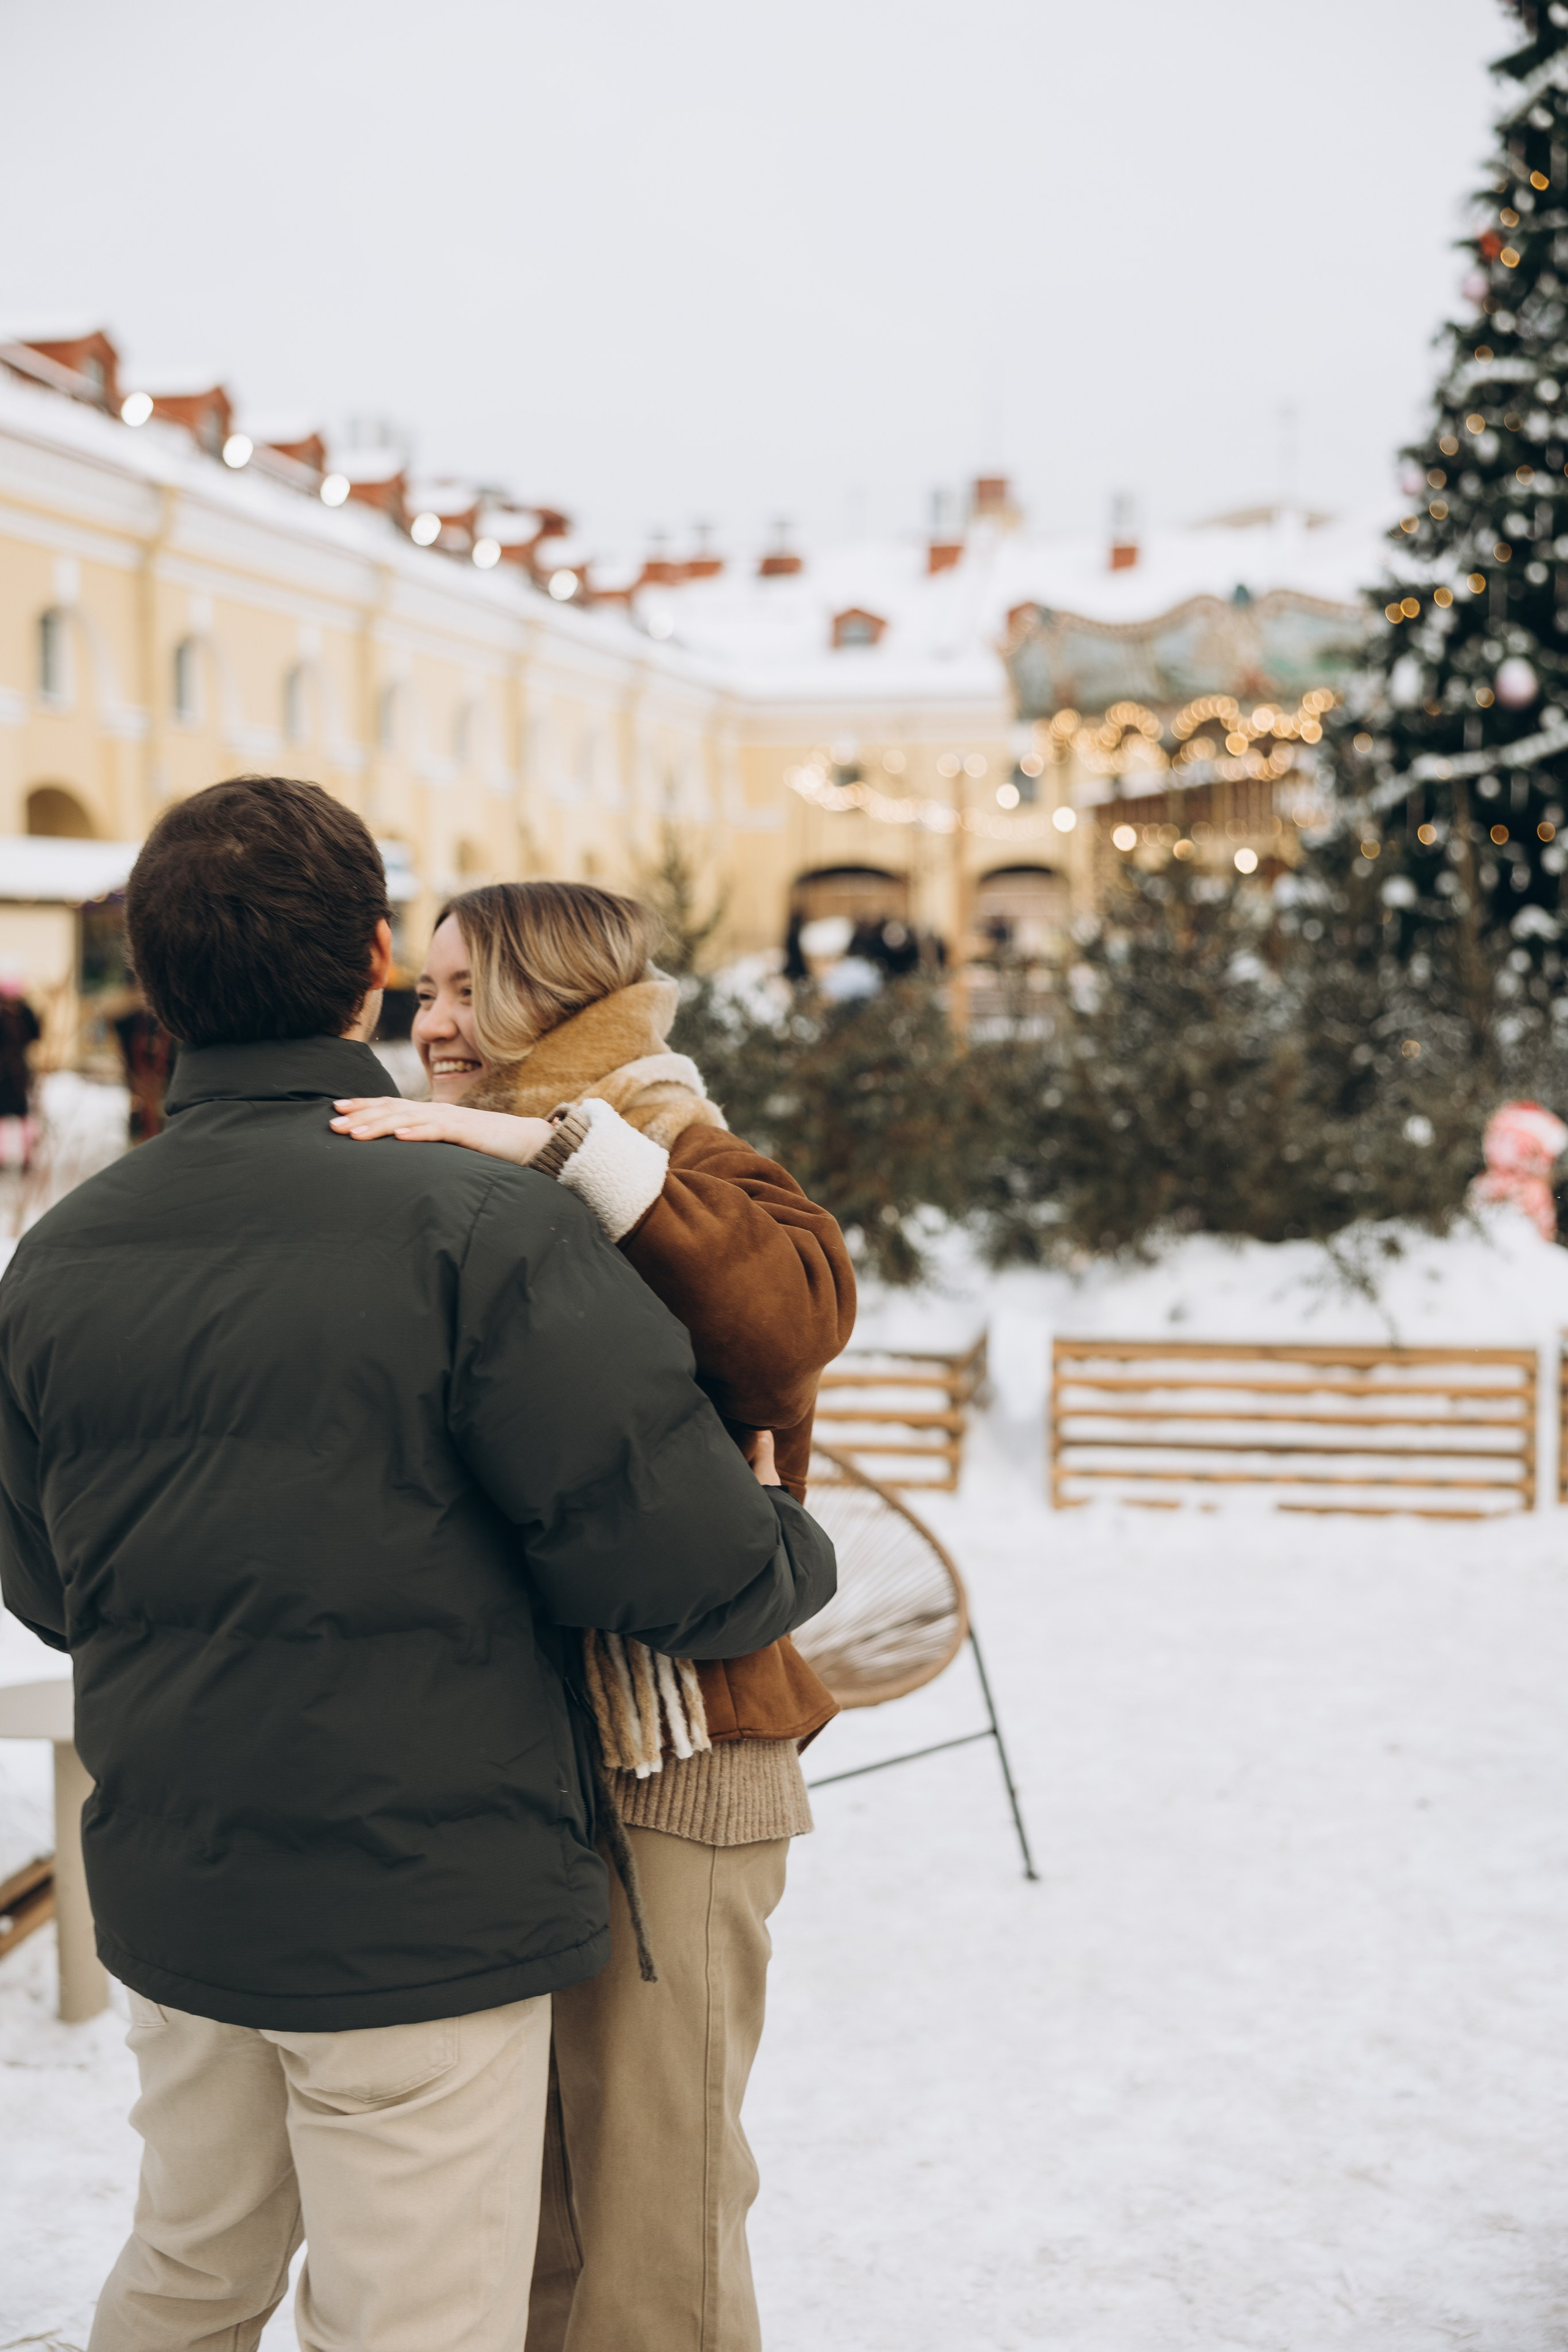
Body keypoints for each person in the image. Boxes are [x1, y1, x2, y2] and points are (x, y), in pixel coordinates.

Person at [0, 778, 835, 2352]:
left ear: (153, 984)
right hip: (419, 1908)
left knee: (186, 2272)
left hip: (184, 1896)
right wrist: (785, 1536)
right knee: (417, 2315)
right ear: (373, 961)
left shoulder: (60, 1251)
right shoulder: (465, 1220)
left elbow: (53, 1581)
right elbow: (681, 1560)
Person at [330, 879, 856, 2352]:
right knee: (546, 2221)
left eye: (457, 993)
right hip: (522, 1756)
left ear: (555, 1000)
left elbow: (793, 1314)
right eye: (421, 993)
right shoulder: (443, 1169)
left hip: (681, 1742)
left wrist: (554, 1143)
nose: (426, 1025)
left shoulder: (675, 1143)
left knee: (658, 2227)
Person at [0, 972, 42, 1173]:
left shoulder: (25, 1013)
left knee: (24, 1113)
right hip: (3, 1073)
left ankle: (27, 1157)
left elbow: (35, 1035)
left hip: (19, 1072)